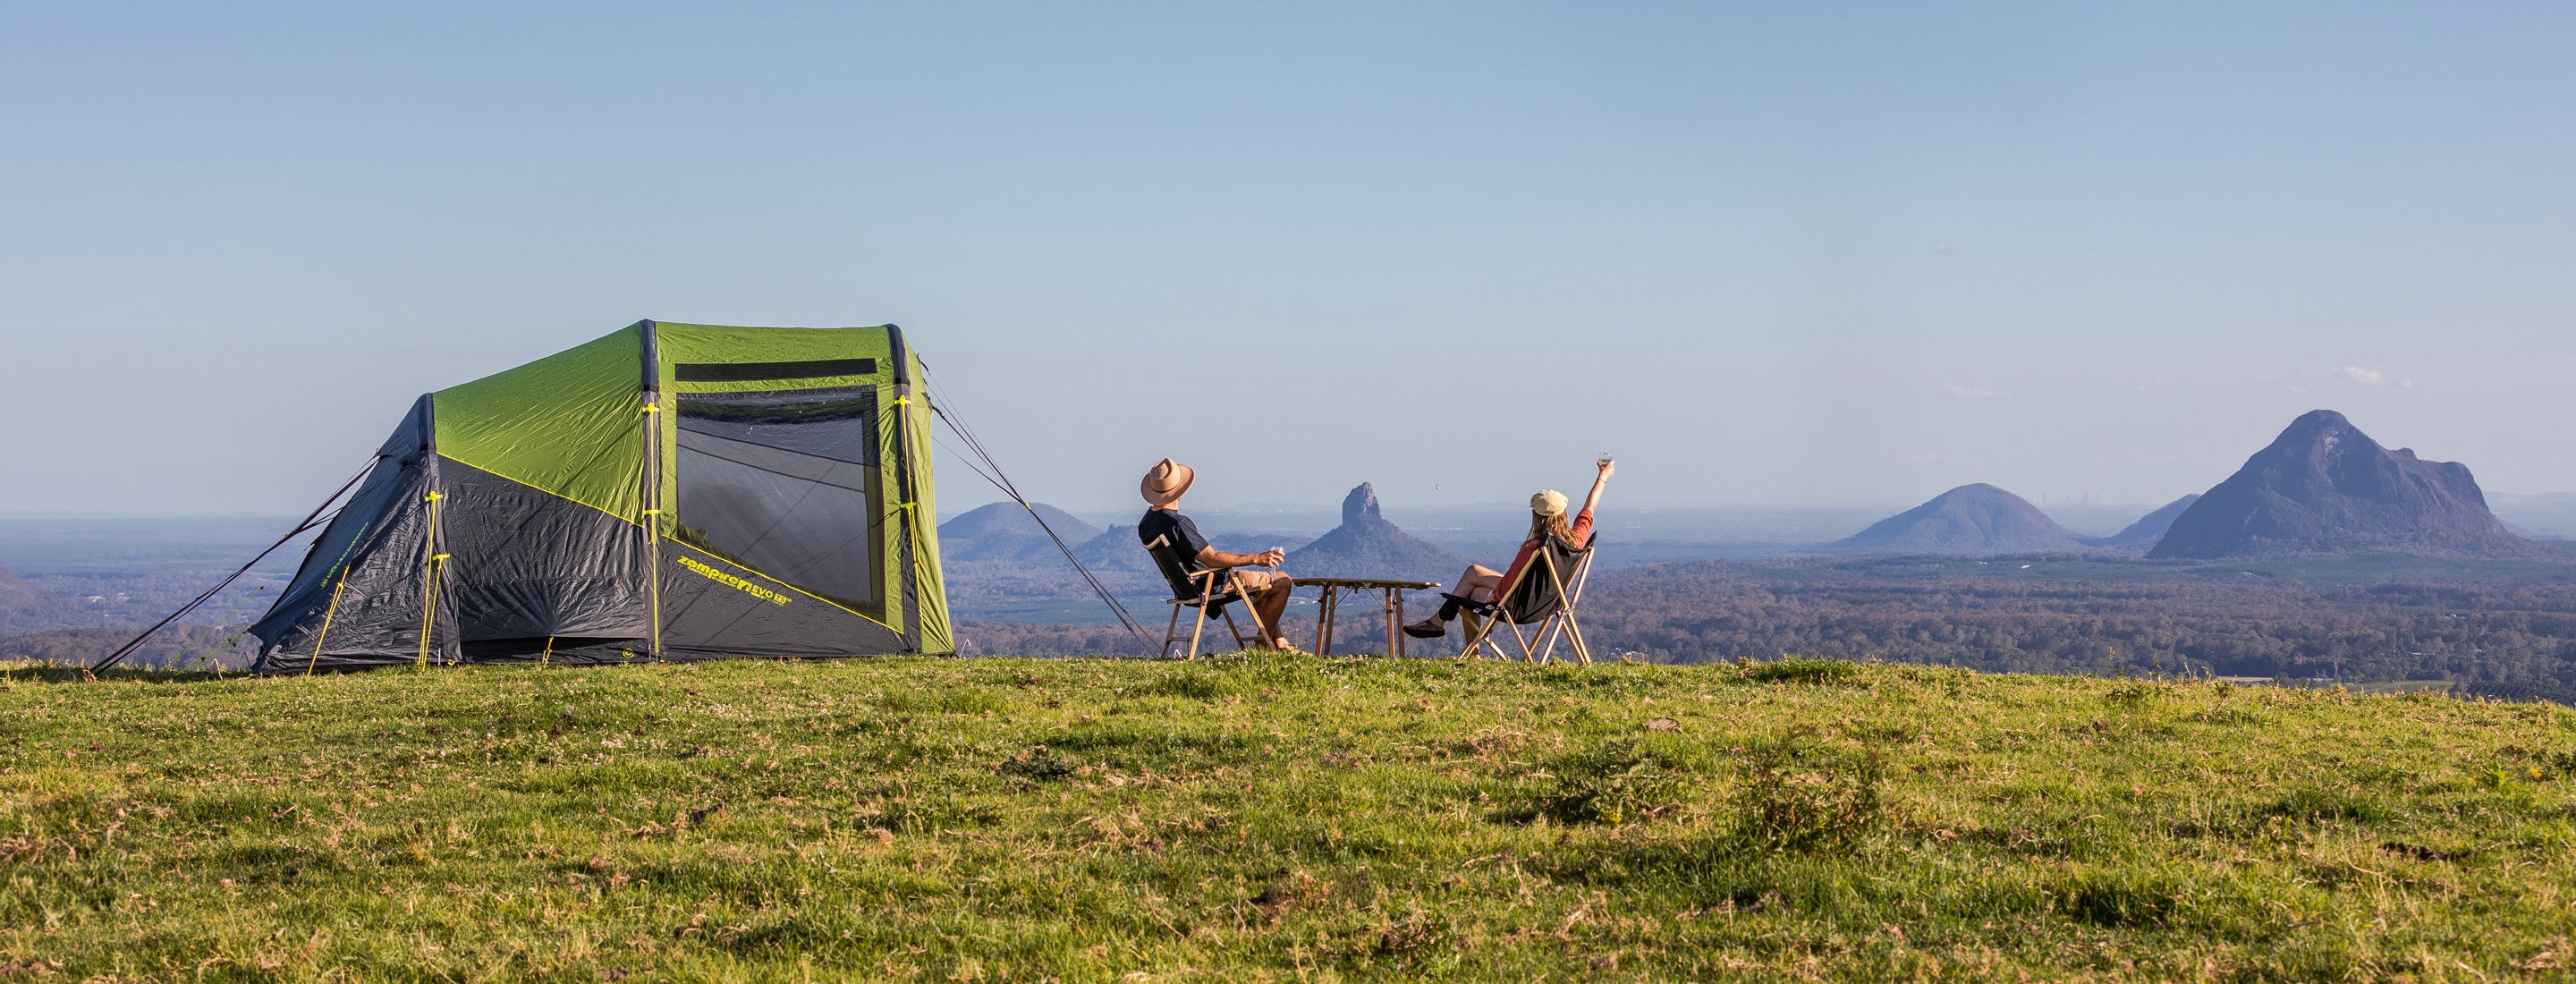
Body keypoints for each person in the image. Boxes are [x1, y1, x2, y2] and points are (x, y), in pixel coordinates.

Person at [1405, 458, 1613, 639]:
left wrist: (1485, 597)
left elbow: (1503, 592)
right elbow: (1589, 507)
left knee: (1469, 593)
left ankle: (1449, 630)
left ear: (1536, 517)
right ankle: (1438, 620)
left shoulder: (1534, 548)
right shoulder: (1577, 539)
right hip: (1551, 603)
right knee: (1474, 572)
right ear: (1564, 513)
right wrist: (1602, 477)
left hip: (1519, 608)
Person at [1137, 457, 1300, 650]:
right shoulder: (1177, 524)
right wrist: (1257, 558)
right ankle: (1262, 644)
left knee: (1263, 586)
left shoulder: (1146, 523)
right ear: (1180, 491)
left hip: (1186, 587)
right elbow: (1211, 559)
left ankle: (1279, 641)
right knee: (1282, 581)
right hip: (1211, 583)